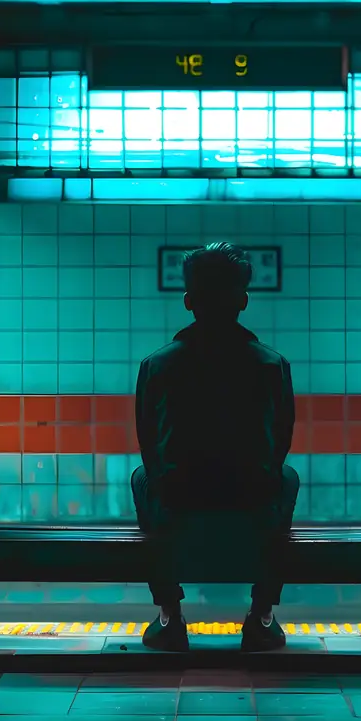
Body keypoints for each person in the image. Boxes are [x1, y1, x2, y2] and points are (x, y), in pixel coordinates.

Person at [131, 241, 299, 653]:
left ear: (188, 301)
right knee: (287, 478)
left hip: (179, 501)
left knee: (141, 478)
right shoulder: (272, 365)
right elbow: (280, 443)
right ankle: (262, 616)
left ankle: (170, 615)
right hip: (250, 501)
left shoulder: (157, 365)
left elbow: (148, 445)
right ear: (243, 300)